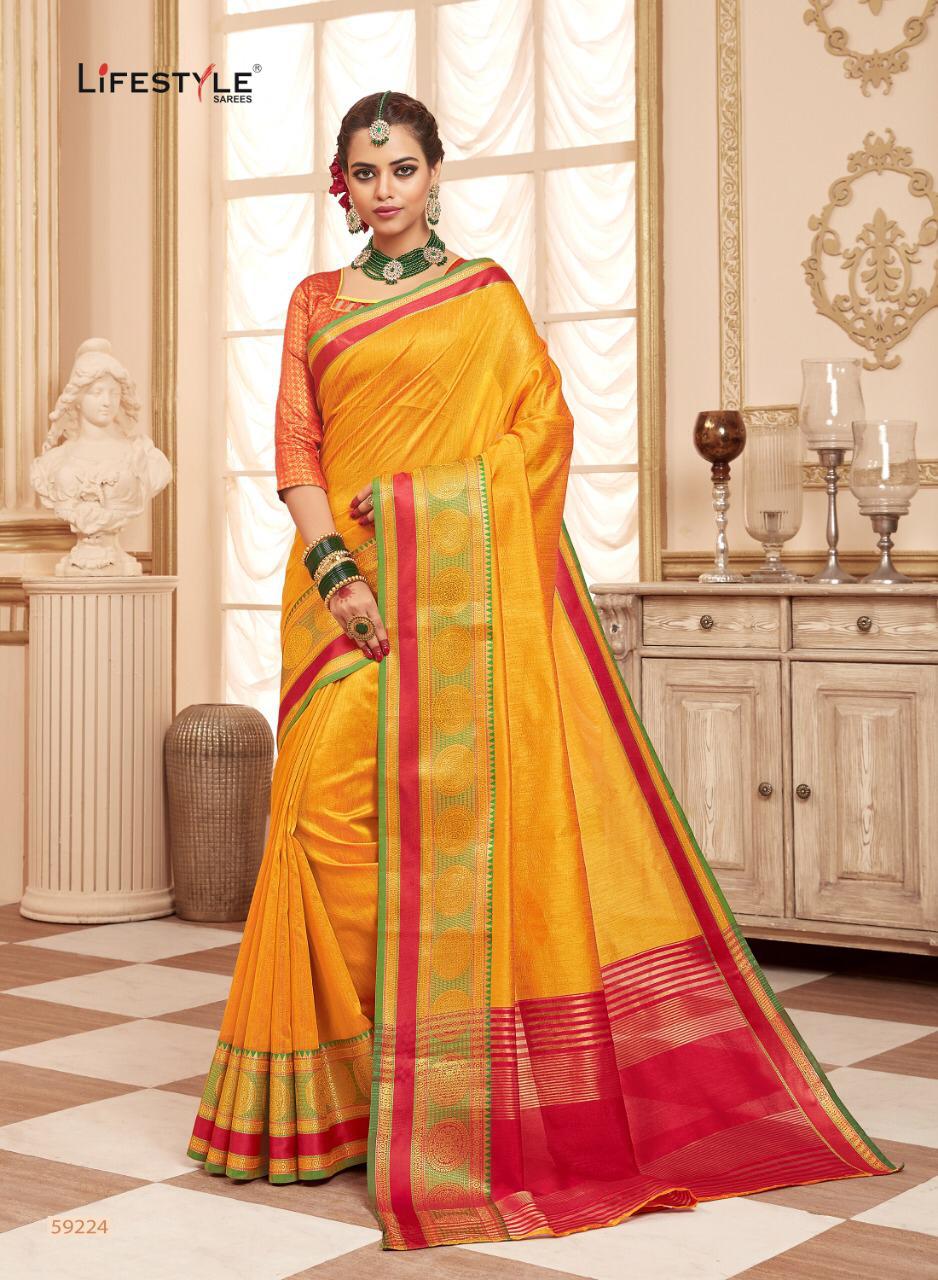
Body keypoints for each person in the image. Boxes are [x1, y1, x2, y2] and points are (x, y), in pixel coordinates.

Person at [186, 90, 900, 1252]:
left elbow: (539, 434)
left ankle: (442, 1084)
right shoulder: (316, 300)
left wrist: (416, 509)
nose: (383, 189)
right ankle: (364, 1085)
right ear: (341, 184)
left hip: (451, 597)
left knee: (453, 829)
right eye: (364, 171)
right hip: (339, 598)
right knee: (317, 823)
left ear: (433, 175)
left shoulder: (484, 297)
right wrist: (336, 565)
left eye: (402, 168)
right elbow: (295, 447)